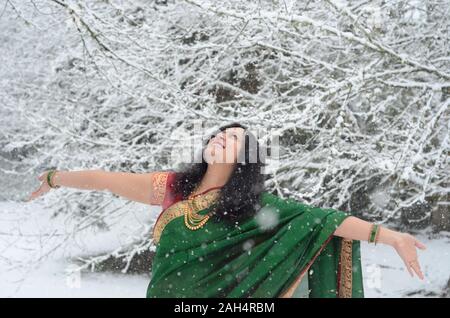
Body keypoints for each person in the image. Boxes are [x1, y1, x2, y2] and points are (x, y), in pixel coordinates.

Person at [27, 122, 426, 298]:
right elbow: (104, 179)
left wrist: (391, 237)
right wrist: (55, 177)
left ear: (246, 158)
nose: (221, 137)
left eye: (233, 138)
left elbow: (327, 221)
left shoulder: (254, 209)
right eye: (219, 133)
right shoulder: (170, 188)